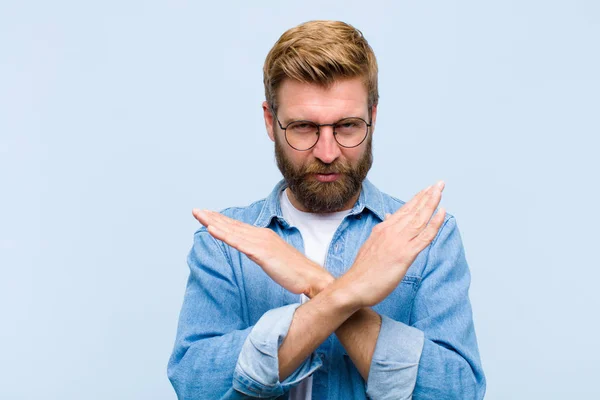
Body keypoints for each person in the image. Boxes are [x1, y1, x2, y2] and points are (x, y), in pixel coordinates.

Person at [167, 20, 486, 399]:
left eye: (348, 126)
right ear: (271, 121)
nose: (327, 152)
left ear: (374, 116)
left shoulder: (427, 237)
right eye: (304, 128)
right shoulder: (225, 242)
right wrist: (344, 295)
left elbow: (457, 391)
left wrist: (316, 283)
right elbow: (196, 387)